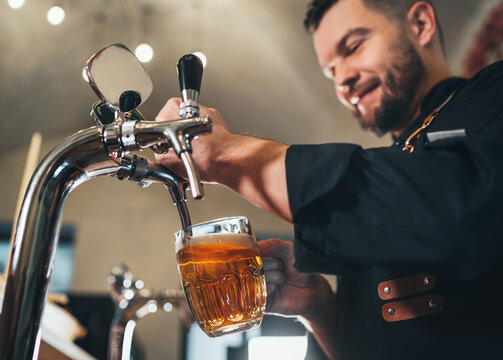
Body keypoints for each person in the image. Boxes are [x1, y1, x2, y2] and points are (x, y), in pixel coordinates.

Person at [155, 0, 503, 359]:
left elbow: (456, 210)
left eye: (353, 47)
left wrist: (229, 154)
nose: (343, 79)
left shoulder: (492, 94)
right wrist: (319, 308)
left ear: (421, 23)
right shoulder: (398, 158)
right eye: (331, 71)